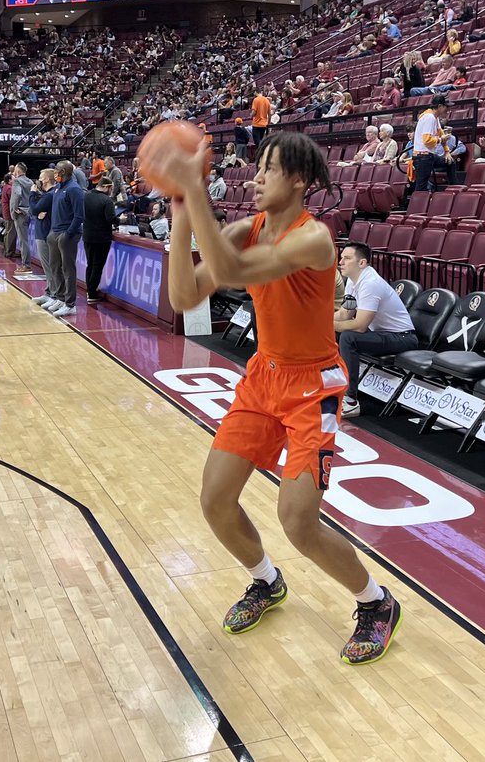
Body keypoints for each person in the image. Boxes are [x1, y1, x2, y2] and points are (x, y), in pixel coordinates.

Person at [163, 131, 403, 666]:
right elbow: (184, 295)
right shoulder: (248, 228)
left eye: (268, 169)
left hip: (312, 386)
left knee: (297, 521)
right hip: (261, 378)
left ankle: (376, 603)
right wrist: (182, 212)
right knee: (215, 501)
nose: (255, 176)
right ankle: (265, 582)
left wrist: (196, 192)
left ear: (298, 179)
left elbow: (228, 273)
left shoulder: (314, 238)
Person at [334, 242, 419, 418]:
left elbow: (359, 325)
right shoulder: (352, 280)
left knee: (349, 337)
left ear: (362, 263)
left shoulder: (370, 283)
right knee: (338, 332)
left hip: (402, 338)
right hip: (382, 333)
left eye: (347, 258)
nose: (340, 261)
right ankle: (331, 384)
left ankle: (350, 401)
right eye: (341, 257)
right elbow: (345, 313)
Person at [43, 160, 84, 317]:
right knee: (55, 266)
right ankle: (59, 297)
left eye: (58, 171)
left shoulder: (74, 190)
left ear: (65, 172)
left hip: (68, 234)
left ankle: (70, 303)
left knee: (68, 269)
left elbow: (79, 215)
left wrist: (68, 233)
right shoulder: (58, 188)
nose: (55, 174)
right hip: (55, 231)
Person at [29, 168, 61, 309]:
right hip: (44, 231)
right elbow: (36, 211)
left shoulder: (49, 195)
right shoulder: (48, 194)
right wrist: (37, 210)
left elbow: (34, 209)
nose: (39, 179)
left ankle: (54, 294)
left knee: (49, 266)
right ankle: (49, 292)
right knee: (48, 266)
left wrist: (32, 194)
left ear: (47, 179)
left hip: (45, 232)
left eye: (41, 176)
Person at [83, 174, 116, 303]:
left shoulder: (86, 196)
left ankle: (89, 290)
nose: (111, 191)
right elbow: (111, 219)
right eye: (111, 188)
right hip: (102, 238)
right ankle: (92, 293)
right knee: (97, 266)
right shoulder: (107, 201)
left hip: (87, 235)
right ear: (107, 187)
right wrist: (121, 219)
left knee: (90, 264)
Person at [410, 94, 450, 193]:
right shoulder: (429, 118)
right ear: (440, 106)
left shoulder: (434, 117)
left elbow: (441, 133)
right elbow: (427, 140)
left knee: (450, 162)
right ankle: (417, 207)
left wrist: (447, 152)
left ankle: (453, 190)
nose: (448, 110)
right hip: (423, 157)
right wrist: (440, 140)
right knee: (421, 187)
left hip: (428, 156)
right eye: (446, 107)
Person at [8, 163, 33, 274]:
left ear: (17, 171)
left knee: (23, 240)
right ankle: (26, 263)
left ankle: (26, 265)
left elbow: (17, 195)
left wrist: (14, 210)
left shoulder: (17, 181)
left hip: (20, 213)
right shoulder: (30, 181)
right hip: (28, 212)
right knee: (25, 240)